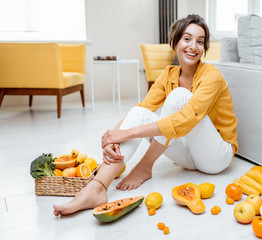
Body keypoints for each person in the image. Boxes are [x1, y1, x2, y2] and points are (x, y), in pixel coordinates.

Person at [53, 14, 238, 216]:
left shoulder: (212, 75)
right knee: (139, 112)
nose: (193, 46)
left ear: (204, 48)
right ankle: (98, 187)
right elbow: (143, 108)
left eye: (200, 42)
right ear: (174, 42)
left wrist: (126, 134)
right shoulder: (168, 74)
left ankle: (144, 167)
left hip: (216, 156)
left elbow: (186, 119)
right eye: (187, 38)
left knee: (178, 97)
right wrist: (112, 136)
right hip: (188, 156)